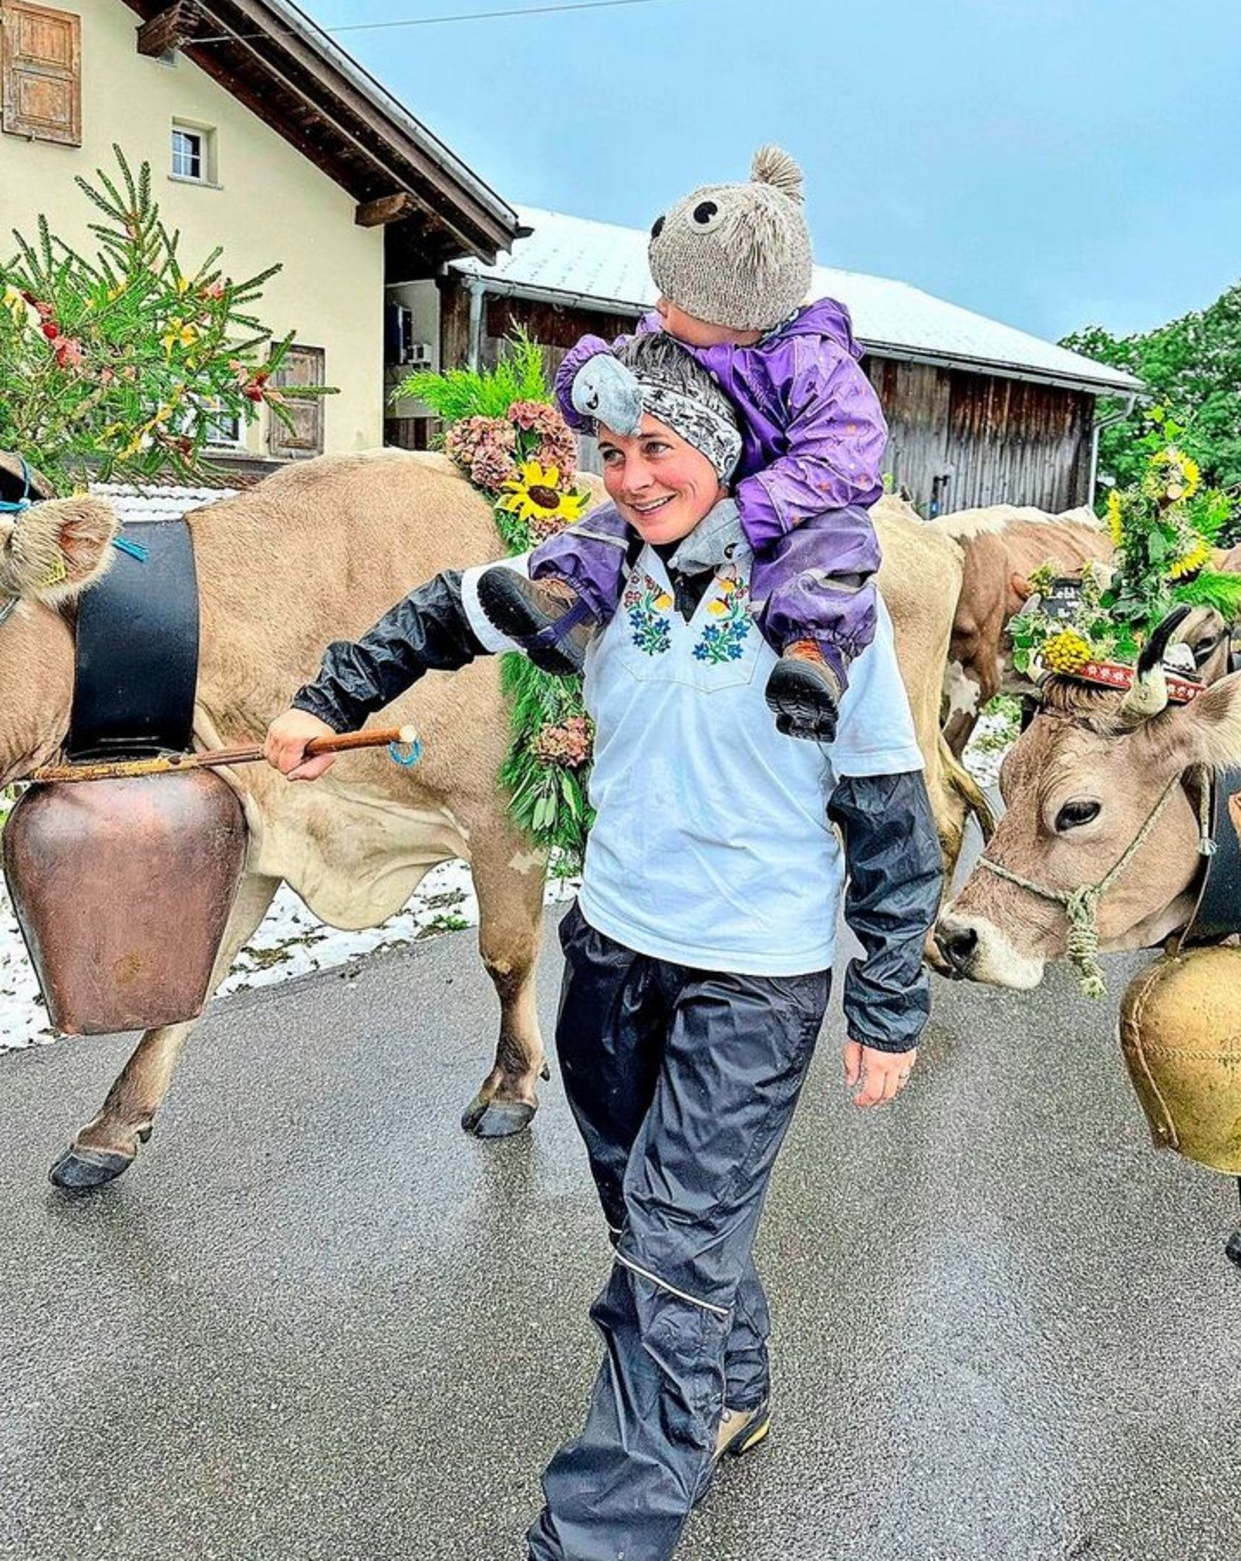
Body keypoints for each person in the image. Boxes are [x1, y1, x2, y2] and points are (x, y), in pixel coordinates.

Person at [264, 333, 941, 1561]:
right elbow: (444, 612)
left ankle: (596, 1533)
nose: (630, 476)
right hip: (614, 951)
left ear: (724, 454)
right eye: (614, 451)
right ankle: (728, 1388)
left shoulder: (826, 616)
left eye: (659, 449)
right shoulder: (595, 584)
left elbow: (888, 806)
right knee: (649, 1210)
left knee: (674, 1253)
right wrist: (328, 703)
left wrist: (887, 999)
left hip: (756, 974)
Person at [476, 145, 889, 743]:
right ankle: (563, 605)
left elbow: (847, 455)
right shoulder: (668, 339)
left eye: (676, 299)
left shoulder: (812, 363)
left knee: (837, 543)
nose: (659, 307)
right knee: (608, 525)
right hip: (692, 492)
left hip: (793, 503)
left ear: (740, 310)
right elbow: (609, 368)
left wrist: (751, 512)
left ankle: (813, 654)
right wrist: (588, 379)